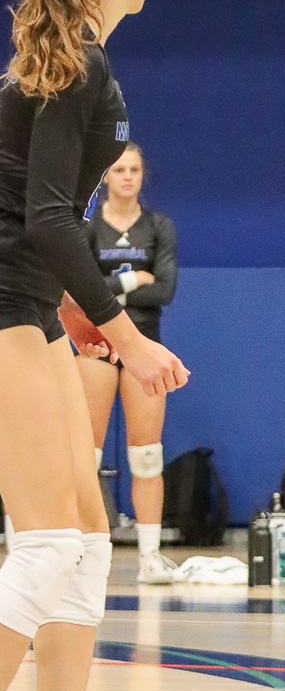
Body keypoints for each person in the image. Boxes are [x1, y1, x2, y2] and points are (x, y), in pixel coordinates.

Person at [0, 0, 188, 691]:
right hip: (0, 301)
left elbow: (42, 223)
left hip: (27, 303)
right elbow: (41, 218)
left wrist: (75, 314)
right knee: (43, 545)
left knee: (82, 537)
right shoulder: (81, 69)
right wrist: (129, 335)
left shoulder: (72, 59)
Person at [80, 144, 178, 584]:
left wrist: (107, 286)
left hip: (143, 343)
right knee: (87, 453)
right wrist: (130, 279)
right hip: (96, 343)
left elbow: (164, 292)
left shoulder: (158, 226)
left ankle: (150, 556)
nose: (127, 177)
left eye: (135, 169)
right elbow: (77, 287)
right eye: (119, 169)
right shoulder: (85, 227)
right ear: (105, 175)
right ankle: (80, 552)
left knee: (146, 455)